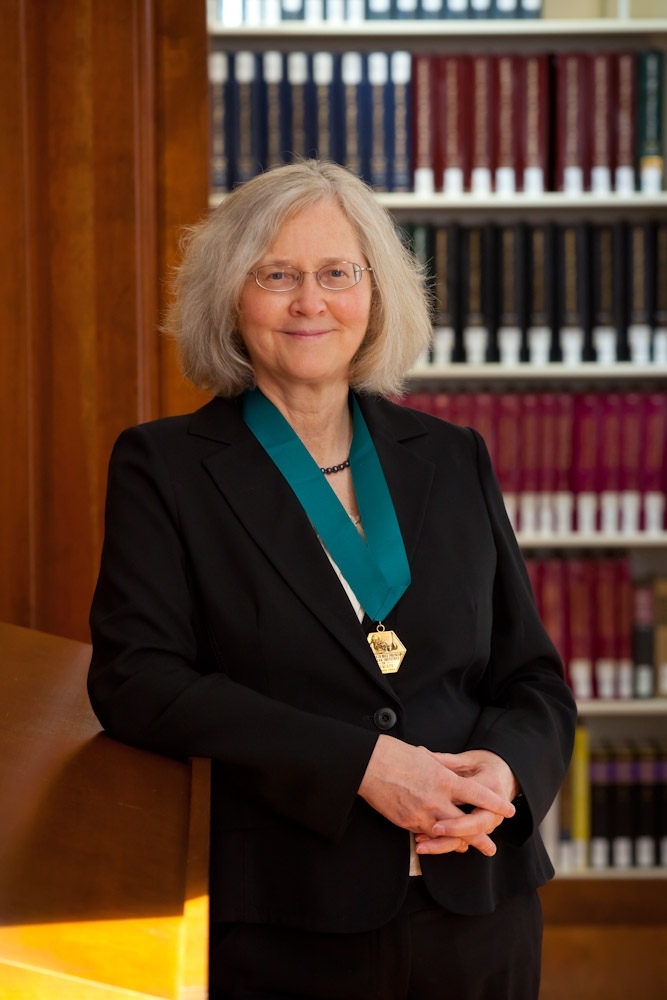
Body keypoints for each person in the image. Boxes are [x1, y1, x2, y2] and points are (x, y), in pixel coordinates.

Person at [88, 159, 577, 1000]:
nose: (309, 302)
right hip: (290, 917)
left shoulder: (451, 457)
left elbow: (529, 676)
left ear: (375, 295)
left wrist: (505, 772)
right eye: (276, 275)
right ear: (231, 299)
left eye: (336, 274)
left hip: (479, 903)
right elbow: (137, 681)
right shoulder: (164, 466)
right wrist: (361, 764)